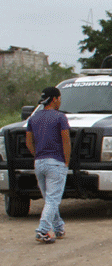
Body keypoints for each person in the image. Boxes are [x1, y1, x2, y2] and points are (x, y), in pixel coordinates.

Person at [26, 86, 71, 244]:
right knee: (53, 200)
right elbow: (66, 140)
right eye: (59, 98)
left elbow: (28, 142)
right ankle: (43, 231)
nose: (60, 101)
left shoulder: (34, 118)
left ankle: (59, 228)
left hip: (39, 162)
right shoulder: (60, 117)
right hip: (56, 162)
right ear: (54, 99)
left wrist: (36, 155)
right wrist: (66, 161)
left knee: (49, 199)